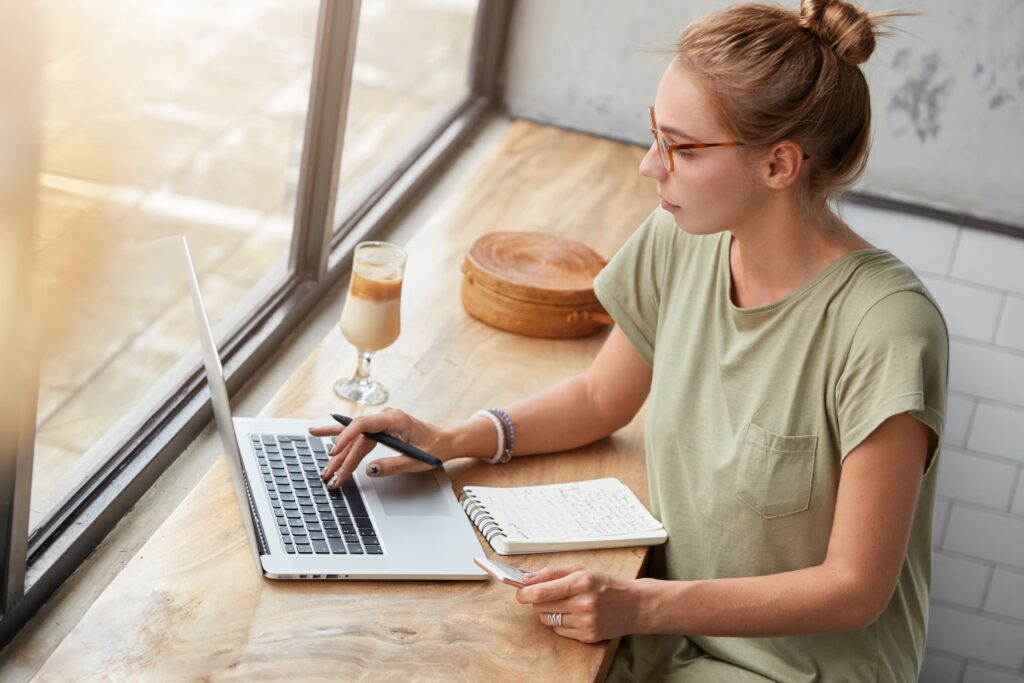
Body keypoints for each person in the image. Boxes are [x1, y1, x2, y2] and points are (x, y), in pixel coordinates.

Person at [311, 0, 949, 679]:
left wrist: (638, 605)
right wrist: (451, 438)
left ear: (779, 165)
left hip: (794, 669)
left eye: (681, 146)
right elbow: (597, 395)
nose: (651, 165)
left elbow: (855, 585)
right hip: (671, 634)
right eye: (654, 133)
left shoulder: (885, 326)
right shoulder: (683, 238)